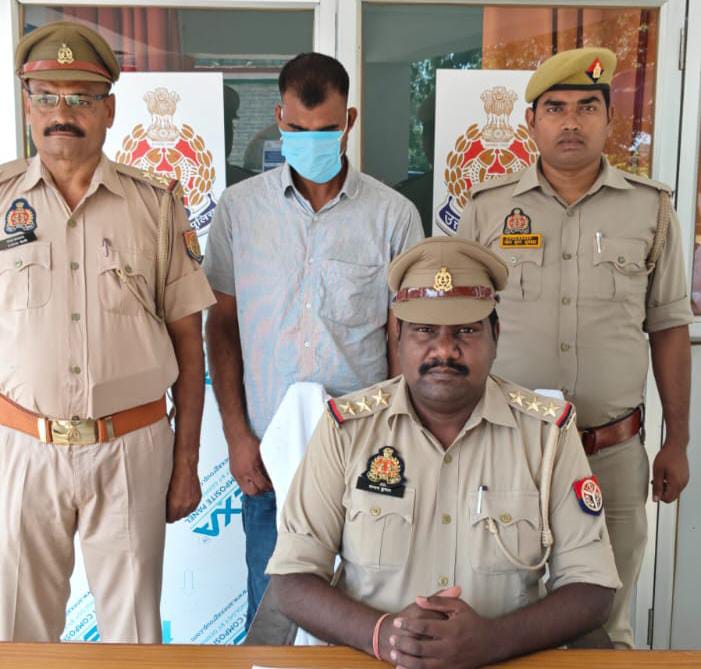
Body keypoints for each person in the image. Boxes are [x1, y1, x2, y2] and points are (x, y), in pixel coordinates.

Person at [266, 237, 620, 668]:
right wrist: (385, 636)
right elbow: (292, 578)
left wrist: (493, 641)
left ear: (495, 336)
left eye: (466, 331)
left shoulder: (548, 436)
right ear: (398, 336)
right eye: (425, 330)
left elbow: (592, 588)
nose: (445, 350)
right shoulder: (347, 430)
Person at [457, 46, 692, 648]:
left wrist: (677, 440)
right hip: (509, 452)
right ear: (530, 122)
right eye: (555, 108)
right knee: (504, 613)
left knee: (604, 625)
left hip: (611, 453)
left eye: (587, 107)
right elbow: (459, 327)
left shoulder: (650, 209)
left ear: (609, 120)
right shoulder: (488, 209)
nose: (570, 122)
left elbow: (668, 326)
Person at [0, 21, 215, 642]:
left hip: (130, 448)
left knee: (134, 635)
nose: (61, 114)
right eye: (47, 97)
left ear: (110, 110)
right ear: (27, 106)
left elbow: (188, 341)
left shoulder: (155, 205)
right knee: (16, 633)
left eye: (81, 98)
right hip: (22, 448)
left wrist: (186, 462)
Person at [204, 52, 423, 628]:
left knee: (366, 618)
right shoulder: (240, 211)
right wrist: (236, 436)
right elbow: (222, 327)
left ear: (349, 120)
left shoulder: (393, 216)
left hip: (364, 456)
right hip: (267, 458)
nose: (310, 143)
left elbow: (403, 342)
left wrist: (401, 445)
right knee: (271, 618)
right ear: (279, 117)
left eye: (325, 130)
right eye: (297, 130)